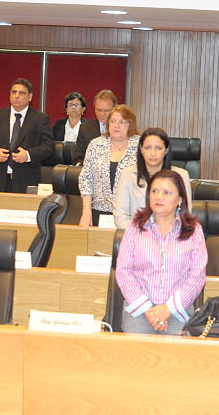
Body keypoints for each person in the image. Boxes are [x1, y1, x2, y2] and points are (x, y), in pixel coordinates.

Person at [115, 169, 207, 335]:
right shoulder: (134, 227)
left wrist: (167, 309)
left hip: (178, 312)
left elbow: (197, 276)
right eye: (154, 191)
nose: (159, 197)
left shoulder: (193, 231)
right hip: (139, 311)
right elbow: (124, 271)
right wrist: (149, 311)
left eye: (167, 192)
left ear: (180, 199)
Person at [0, 78, 54, 193]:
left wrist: (28, 155)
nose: (17, 96)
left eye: (21, 93)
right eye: (14, 92)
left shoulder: (40, 119)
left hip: (26, 179)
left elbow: (48, 146)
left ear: (30, 97)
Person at [114, 127, 192, 229]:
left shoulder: (181, 175)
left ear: (166, 150)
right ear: (141, 149)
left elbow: (186, 214)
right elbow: (120, 217)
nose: (153, 153)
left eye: (158, 148)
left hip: (170, 238)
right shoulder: (128, 175)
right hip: (138, 237)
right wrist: (145, 235)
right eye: (148, 148)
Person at [78, 104, 139, 226]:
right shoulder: (96, 144)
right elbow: (85, 179)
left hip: (131, 213)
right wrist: (86, 210)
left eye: (122, 122)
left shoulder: (140, 146)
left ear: (130, 125)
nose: (116, 125)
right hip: (98, 211)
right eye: (113, 121)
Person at [72, 89, 117, 164]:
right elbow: (78, 158)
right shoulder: (85, 128)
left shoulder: (121, 128)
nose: (102, 114)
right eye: (99, 110)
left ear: (114, 109)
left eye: (106, 111)